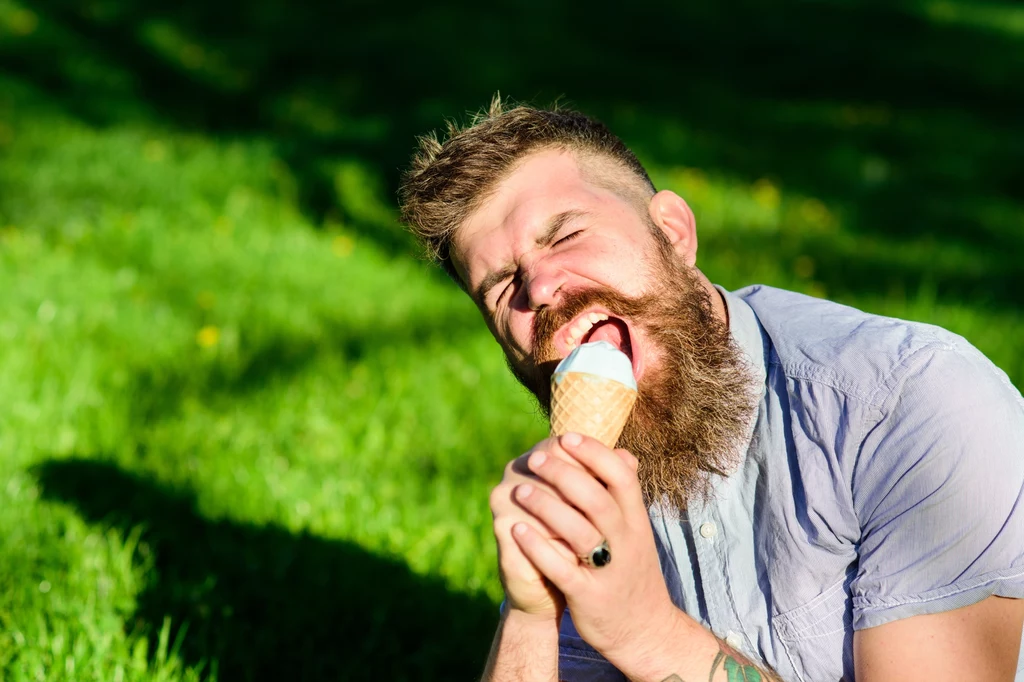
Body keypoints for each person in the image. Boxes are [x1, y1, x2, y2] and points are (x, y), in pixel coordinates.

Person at [398, 96, 1024, 682]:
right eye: (502, 286)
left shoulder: (910, 406)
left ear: (673, 231)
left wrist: (645, 633)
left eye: (564, 235)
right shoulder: (588, 487)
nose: (538, 288)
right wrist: (531, 612)